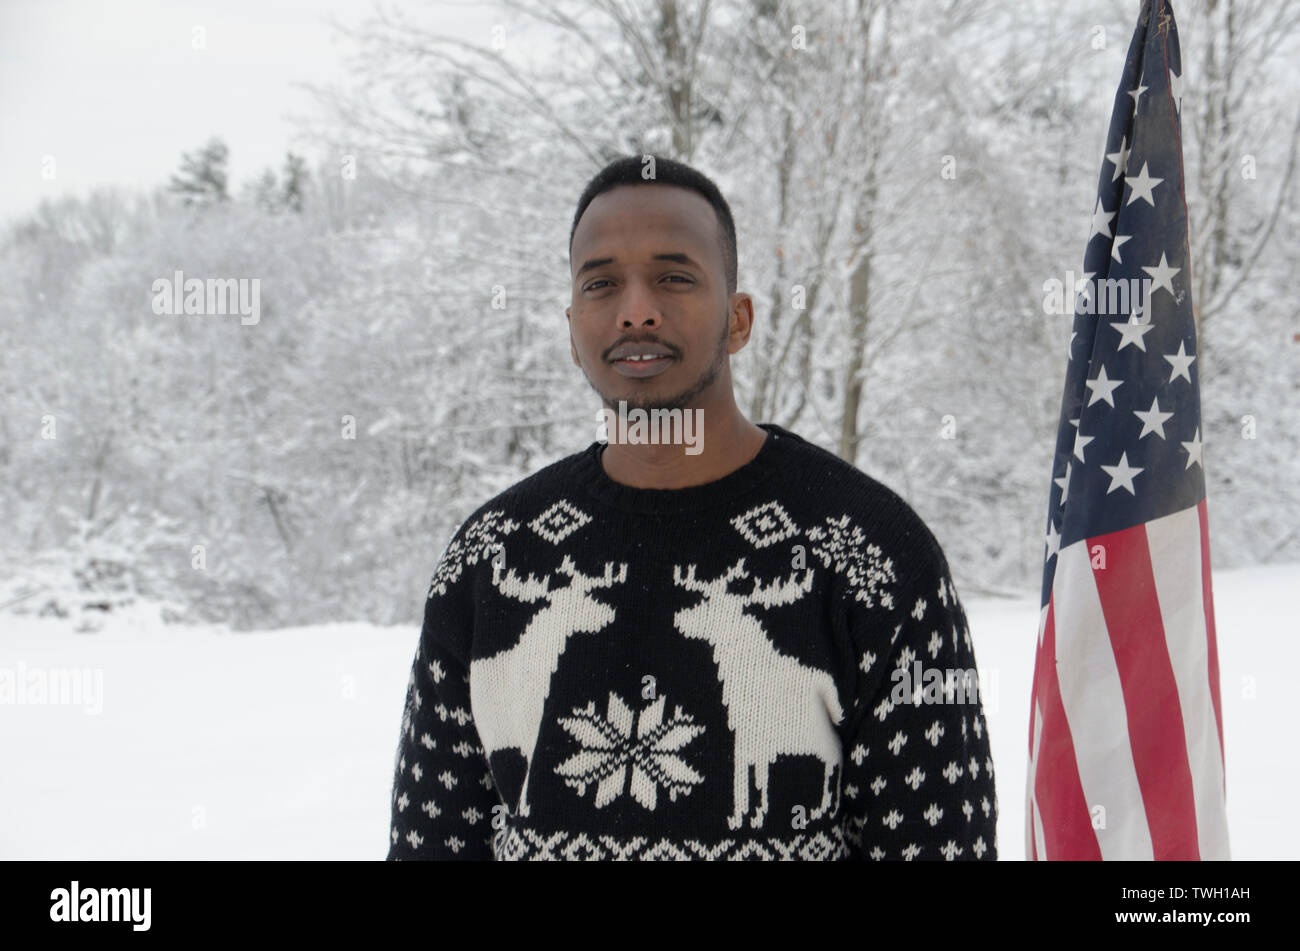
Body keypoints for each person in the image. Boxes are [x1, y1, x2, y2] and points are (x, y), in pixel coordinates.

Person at [385, 155, 998, 860]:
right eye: (601, 283)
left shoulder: (874, 555)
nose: (636, 308)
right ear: (571, 327)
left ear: (738, 320)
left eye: (674, 277)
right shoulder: (488, 559)